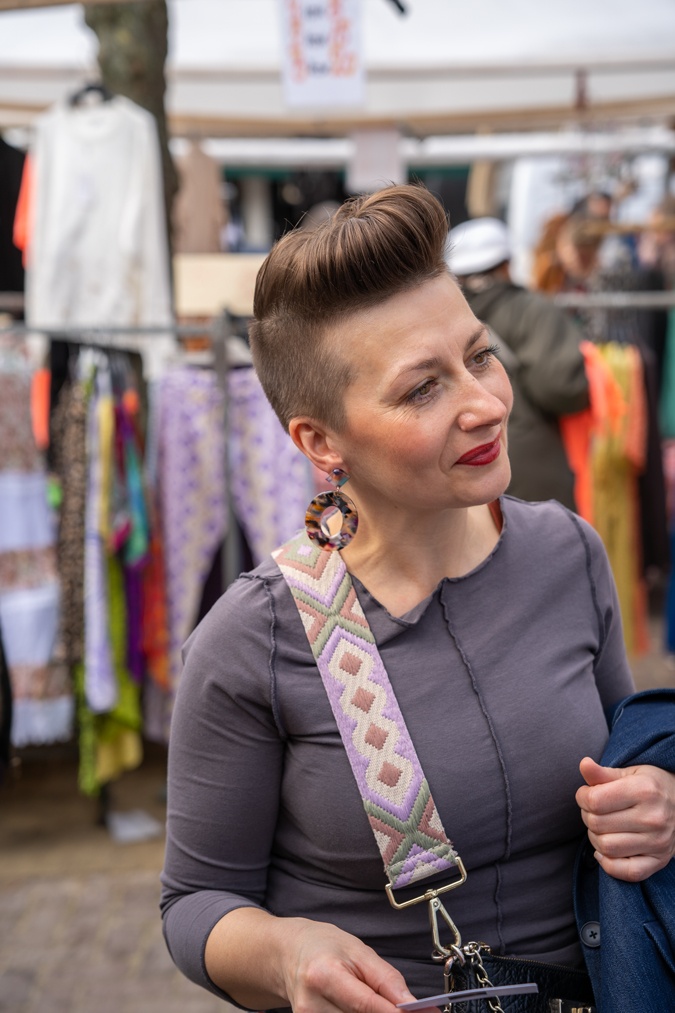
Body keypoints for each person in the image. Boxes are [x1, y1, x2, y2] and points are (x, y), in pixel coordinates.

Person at [160, 184, 675, 1013]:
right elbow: (192, 904)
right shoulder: (255, 636)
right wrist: (287, 952)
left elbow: (632, 754)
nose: (485, 403)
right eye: (421, 388)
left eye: (479, 355)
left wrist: (660, 801)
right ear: (320, 442)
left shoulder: (568, 551)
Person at [446, 216, 589, 511]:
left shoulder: (442, 317)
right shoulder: (532, 309)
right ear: (506, 265)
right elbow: (563, 387)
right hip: (533, 466)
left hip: (463, 468)